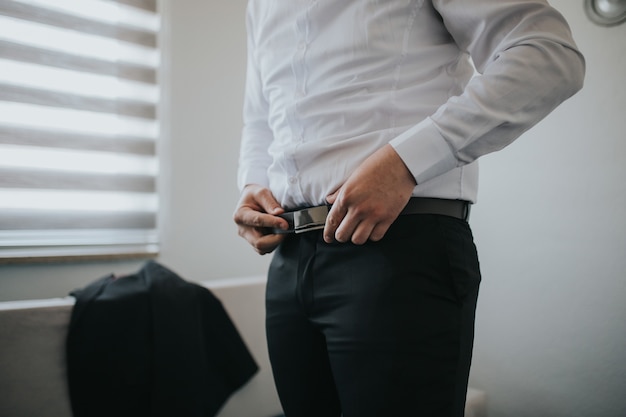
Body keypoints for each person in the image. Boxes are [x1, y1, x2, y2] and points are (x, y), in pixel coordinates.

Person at [233, 1, 584, 416]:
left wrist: (406, 161)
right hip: (287, 260)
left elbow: (546, 53)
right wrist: (252, 183)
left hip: (397, 248)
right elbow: (260, 116)